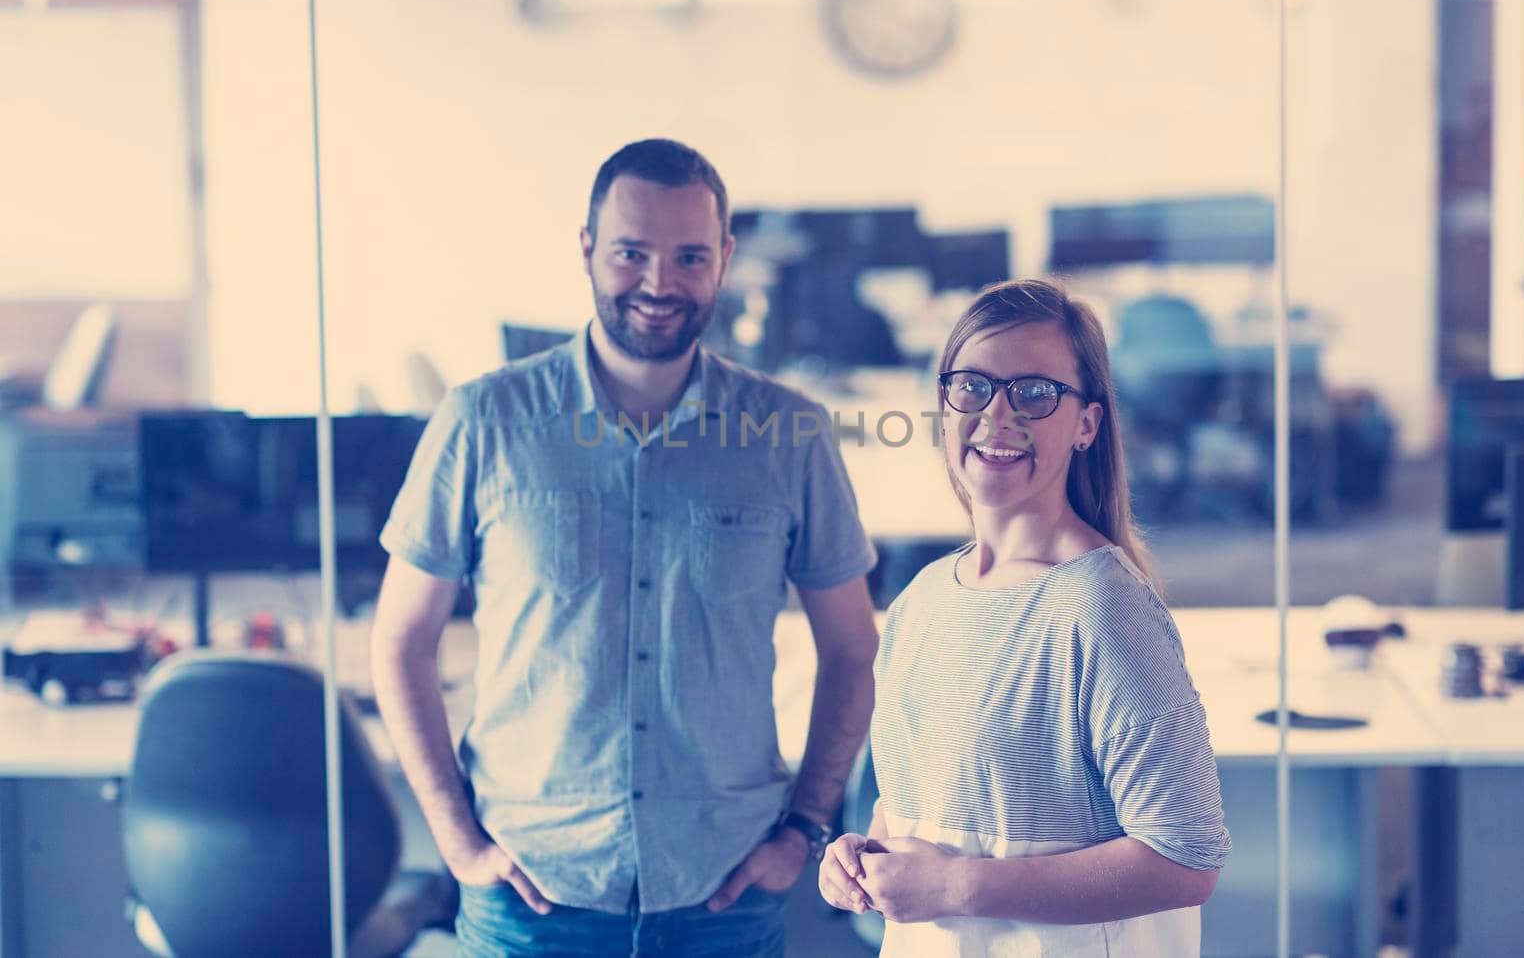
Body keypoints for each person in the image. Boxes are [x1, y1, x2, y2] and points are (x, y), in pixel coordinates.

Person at [371, 138, 880, 957]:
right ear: (586, 250)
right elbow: (399, 641)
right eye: (631, 253)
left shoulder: (789, 433)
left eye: (688, 256)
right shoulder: (483, 422)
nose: (658, 283)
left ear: (724, 259)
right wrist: (458, 842)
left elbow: (853, 650)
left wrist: (805, 829)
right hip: (532, 898)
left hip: (723, 896)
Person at [818, 278, 1229, 956]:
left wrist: (954, 887)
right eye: (972, 386)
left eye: (1035, 394)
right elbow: (914, 811)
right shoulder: (921, 601)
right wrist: (860, 857)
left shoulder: (1102, 609)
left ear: (1088, 424)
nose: (997, 416)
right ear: (944, 407)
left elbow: (1187, 858)